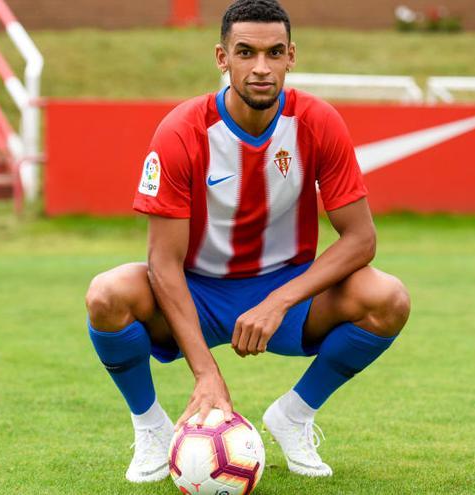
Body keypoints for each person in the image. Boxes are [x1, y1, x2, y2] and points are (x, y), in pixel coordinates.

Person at [85, 0, 411, 483]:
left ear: (291, 57)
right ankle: (150, 429)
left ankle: (293, 416)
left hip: (287, 294)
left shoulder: (318, 123)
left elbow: (361, 240)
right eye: (246, 52)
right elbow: (163, 264)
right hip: (195, 292)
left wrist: (280, 301)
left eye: (274, 52)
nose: (261, 67)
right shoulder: (181, 132)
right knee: (106, 295)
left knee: (388, 298)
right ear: (223, 58)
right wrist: (206, 374)